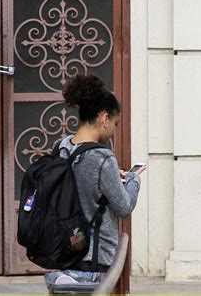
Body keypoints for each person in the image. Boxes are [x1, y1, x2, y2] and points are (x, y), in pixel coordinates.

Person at [59, 74, 145, 273]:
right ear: (105, 118)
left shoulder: (63, 147)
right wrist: (133, 179)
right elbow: (124, 206)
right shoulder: (102, 158)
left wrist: (112, 177)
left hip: (66, 247)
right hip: (95, 255)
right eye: (115, 123)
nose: (114, 130)